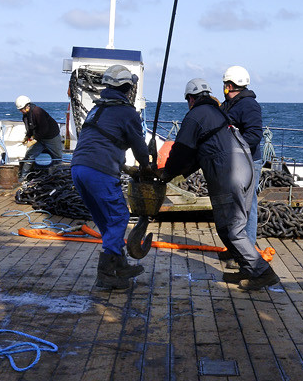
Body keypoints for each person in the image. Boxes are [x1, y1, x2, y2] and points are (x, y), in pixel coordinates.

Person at [160, 77, 279, 292]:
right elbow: (198, 155)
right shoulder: (218, 113)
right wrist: (178, 173)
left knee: (233, 229)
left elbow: (182, 150)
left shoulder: (195, 116)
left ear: (190, 98)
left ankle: (262, 272)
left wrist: (166, 173)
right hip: (245, 170)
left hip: (230, 175)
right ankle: (247, 269)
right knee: (226, 227)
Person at [68, 65, 152, 291]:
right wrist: (146, 167)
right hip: (99, 171)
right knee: (119, 216)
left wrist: (123, 166)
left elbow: (101, 141)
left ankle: (120, 264)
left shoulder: (96, 109)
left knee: (106, 220)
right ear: (127, 88)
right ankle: (105, 274)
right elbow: (140, 149)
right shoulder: (127, 113)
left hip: (78, 169)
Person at [219, 65, 264, 276]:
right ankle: (236, 248)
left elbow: (254, 135)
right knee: (234, 204)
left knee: (247, 205)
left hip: (248, 162)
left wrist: (233, 149)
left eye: (224, 85)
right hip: (235, 161)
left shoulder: (249, 105)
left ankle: (248, 251)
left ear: (229, 85)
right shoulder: (230, 104)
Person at [15, 95, 64, 167]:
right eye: (19, 109)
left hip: (52, 137)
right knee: (29, 156)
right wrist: (27, 136)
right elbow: (30, 128)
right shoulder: (26, 116)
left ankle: (58, 172)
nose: (20, 111)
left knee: (57, 158)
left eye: (21, 109)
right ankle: (24, 173)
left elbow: (44, 128)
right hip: (40, 138)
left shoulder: (37, 112)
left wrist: (35, 140)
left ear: (27, 106)